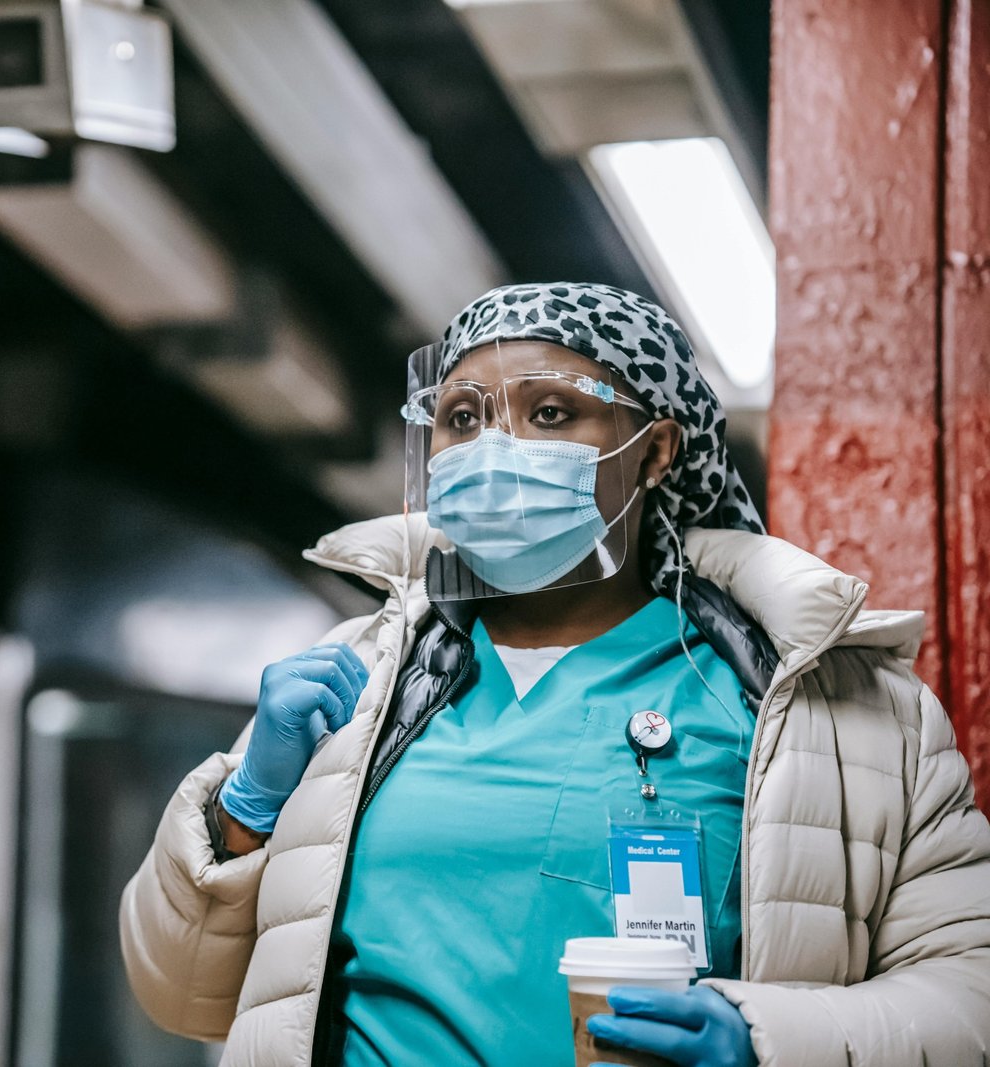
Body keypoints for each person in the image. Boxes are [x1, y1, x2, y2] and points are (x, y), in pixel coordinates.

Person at [118, 282, 990, 1067]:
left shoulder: (833, 709)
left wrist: (763, 1039)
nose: (493, 449)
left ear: (655, 454)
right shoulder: (358, 681)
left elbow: (969, 999)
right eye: (462, 418)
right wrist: (243, 813)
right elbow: (180, 992)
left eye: (550, 413)